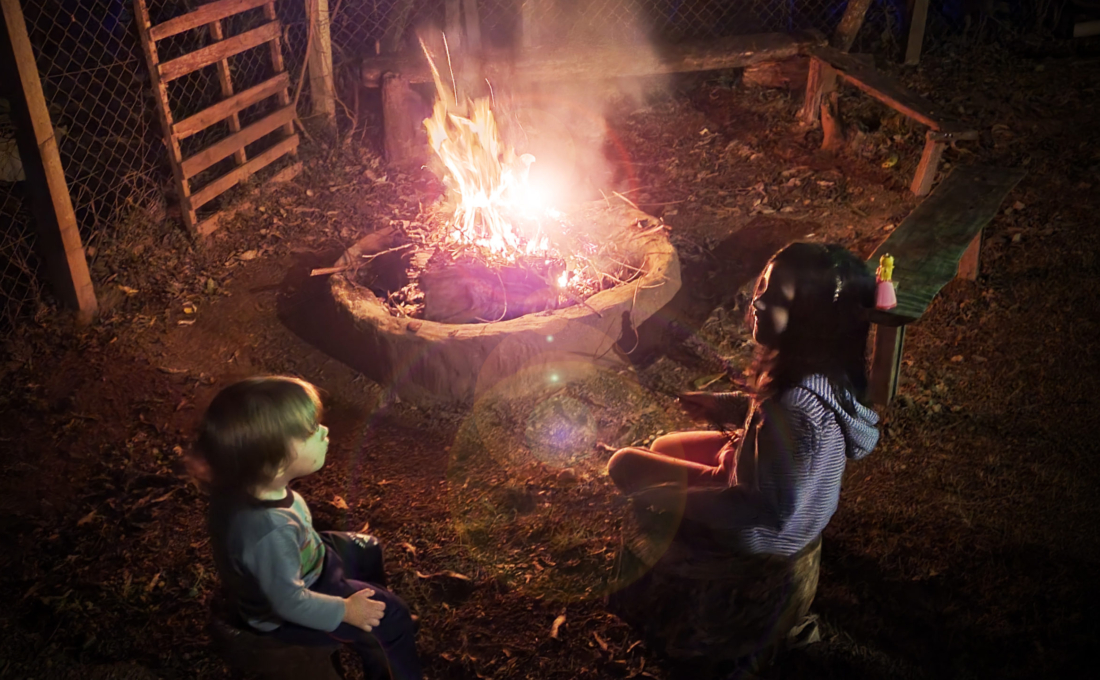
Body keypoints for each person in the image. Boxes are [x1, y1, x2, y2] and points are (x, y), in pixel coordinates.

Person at [607, 242, 881, 556]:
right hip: (783, 500)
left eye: (778, 298)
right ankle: (726, 470)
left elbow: (767, 509)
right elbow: (771, 419)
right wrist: (719, 404)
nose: (758, 301)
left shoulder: (794, 407)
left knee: (624, 463)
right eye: (764, 286)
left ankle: (706, 512)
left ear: (809, 317)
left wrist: (669, 497)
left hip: (764, 535)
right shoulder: (822, 366)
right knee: (663, 446)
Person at [192, 376, 423, 680]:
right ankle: (384, 636)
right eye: (312, 431)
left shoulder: (245, 483)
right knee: (394, 617)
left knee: (367, 548)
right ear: (274, 462)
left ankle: (369, 622)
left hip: (307, 557)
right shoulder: (269, 531)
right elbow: (288, 602)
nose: (325, 431)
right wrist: (344, 610)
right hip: (292, 608)